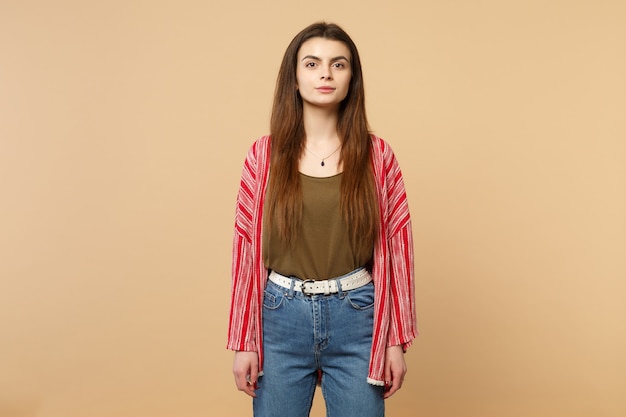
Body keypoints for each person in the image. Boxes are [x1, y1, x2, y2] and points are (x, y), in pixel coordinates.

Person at [227, 22, 417, 417]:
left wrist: (393, 340)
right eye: (312, 63)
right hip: (279, 319)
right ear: (294, 79)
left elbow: (397, 252)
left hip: (358, 318)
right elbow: (245, 252)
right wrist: (245, 340)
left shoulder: (378, 158)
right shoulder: (263, 157)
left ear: (352, 78)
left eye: (339, 64)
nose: (326, 74)